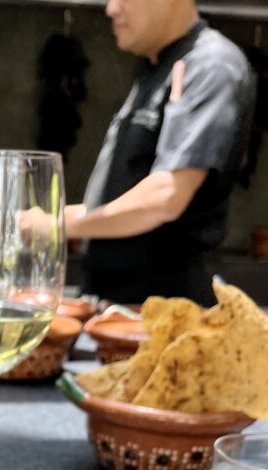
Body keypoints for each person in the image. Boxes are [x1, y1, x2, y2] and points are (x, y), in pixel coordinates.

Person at [66, 0, 254, 305]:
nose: (111, 9)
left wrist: (56, 226)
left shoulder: (210, 65)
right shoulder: (155, 67)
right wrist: (36, 220)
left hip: (164, 313)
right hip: (115, 302)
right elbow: (115, 201)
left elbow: (165, 197)